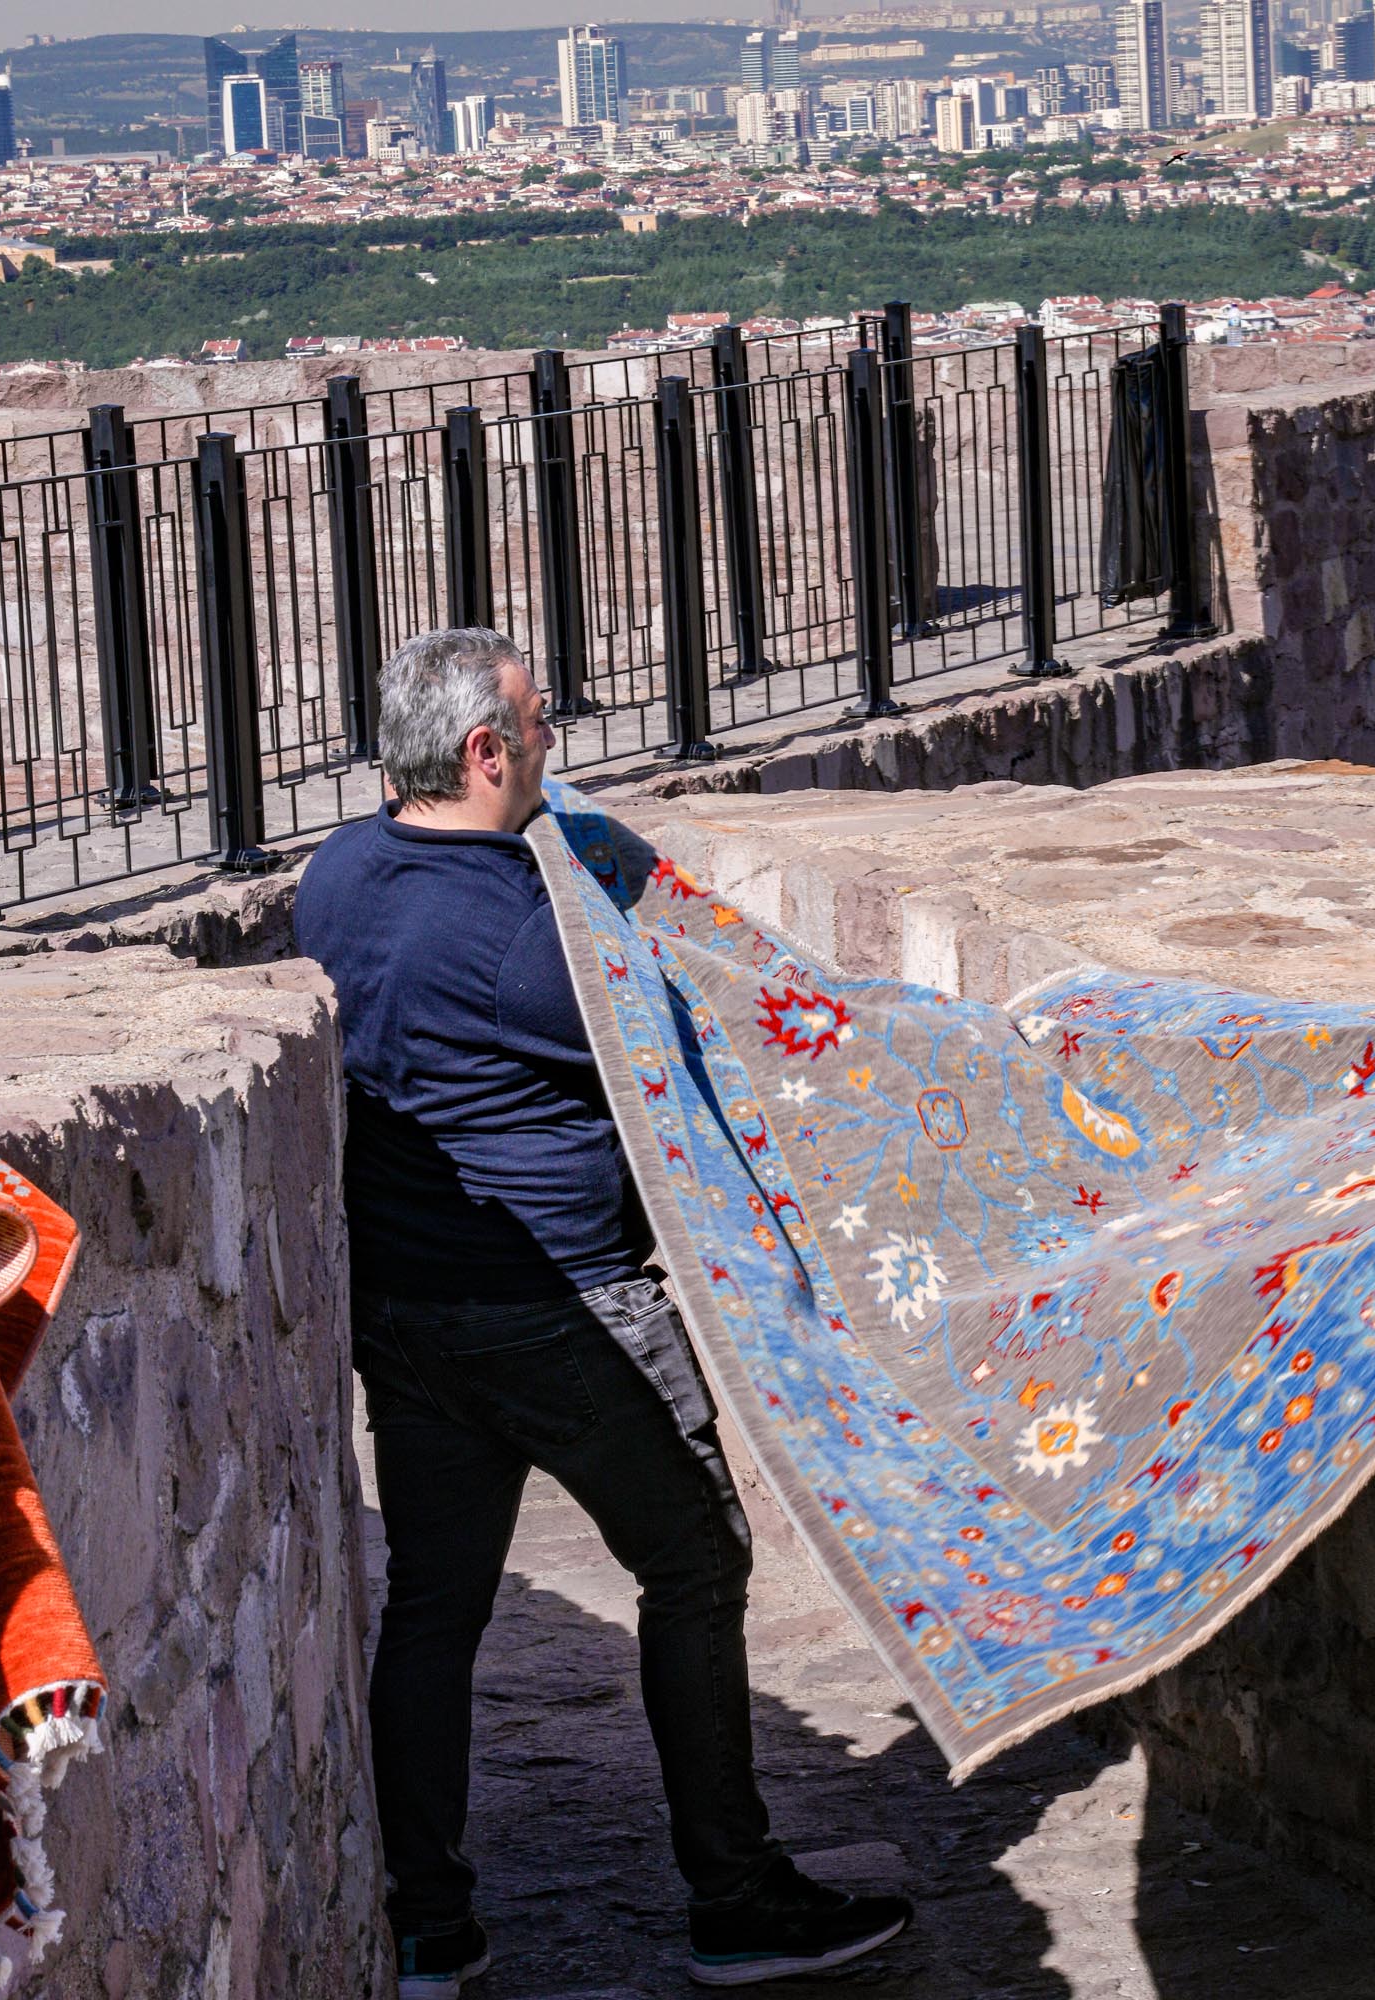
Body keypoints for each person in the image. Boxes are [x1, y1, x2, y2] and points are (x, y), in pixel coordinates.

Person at [295, 628, 913, 1995]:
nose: (554, 738)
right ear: (485, 751)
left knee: (435, 1606)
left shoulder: (335, 875)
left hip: (407, 1312)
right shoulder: (531, 942)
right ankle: (736, 1898)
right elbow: (698, 1054)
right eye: (539, 721)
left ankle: (426, 1924)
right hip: (564, 1314)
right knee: (696, 1566)